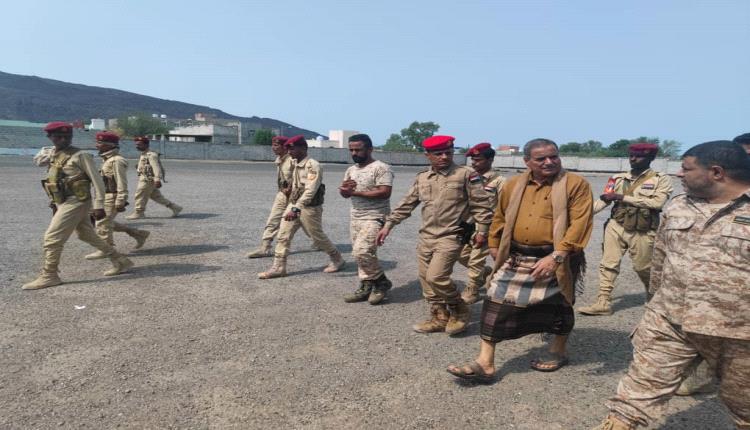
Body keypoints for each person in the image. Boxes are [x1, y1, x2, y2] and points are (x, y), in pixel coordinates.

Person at [592, 141, 750, 430]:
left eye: (686, 168)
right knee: (632, 400)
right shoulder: (679, 205)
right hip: (669, 322)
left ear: (716, 172)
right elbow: (661, 261)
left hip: (737, 334)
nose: (679, 174)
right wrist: (655, 305)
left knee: (744, 408)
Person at [447, 138, 593, 381]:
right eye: (541, 159)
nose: (549, 162)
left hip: (557, 257)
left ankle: (558, 350)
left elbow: (580, 224)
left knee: (560, 305)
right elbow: (500, 216)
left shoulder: (575, 184)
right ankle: (485, 363)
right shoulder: (514, 184)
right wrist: (494, 243)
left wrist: (556, 256)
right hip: (517, 256)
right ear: (527, 162)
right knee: (495, 299)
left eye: (554, 156)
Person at [376, 135, 493, 335]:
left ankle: (459, 309)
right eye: (438, 154)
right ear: (427, 155)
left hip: (451, 235)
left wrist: (482, 231)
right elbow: (407, 203)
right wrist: (389, 224)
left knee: (436, 277)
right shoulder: (423, 177)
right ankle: (439, 317)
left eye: (448, 152)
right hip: (427, 236)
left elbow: (482, 206)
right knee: (425, 280)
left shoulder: (466, 174)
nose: (444, 157)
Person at [21, 122, 134, 290]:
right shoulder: (54, 154)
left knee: (52, 238)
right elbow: (39, 163)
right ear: (50, 137)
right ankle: (121, 260)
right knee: (86, 235)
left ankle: (50, 275)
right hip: (63, 201)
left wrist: (99, 206)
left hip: (77, 201)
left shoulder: (81, 156)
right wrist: (52, 152)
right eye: (58, 136)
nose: (63, 139)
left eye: (67, 136)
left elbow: (98, 183)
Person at [577, 143, 673, 316]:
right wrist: (582, 214)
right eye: (631, 155)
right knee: (608, 264)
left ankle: (654, 298)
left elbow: (657, 203)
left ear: (651, 158)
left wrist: (621, 197)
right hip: (616, 225)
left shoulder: (661, 179)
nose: (633, 159)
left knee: (643, 267)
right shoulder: (617, 178)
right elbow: (604, 201)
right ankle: (603, 302)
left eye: (639, 156)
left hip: (642, 229)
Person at [258, 135, 344, 278]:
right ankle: (279, 267)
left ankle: (337, 259)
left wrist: (296, 208)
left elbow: (310, 190)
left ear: (303, 148)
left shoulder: (312, 165)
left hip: (309, 208)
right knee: (283, 235)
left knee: (317, 238)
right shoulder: (294, 162)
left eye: (292, 148)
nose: (289, 151)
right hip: (294, 204)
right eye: (288, 149)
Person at [339, 134, 394, 305]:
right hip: (356, 216)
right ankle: (367, 285)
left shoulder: (381, 168)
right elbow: (345, 193)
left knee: (362, 251)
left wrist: (354, 192)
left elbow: (385, 191)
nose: (354, 153)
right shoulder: (351, 170)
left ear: (370, 149)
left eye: (358, 149)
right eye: (351, 150)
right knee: (360, 254)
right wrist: (344, 191)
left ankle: (381, 282)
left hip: (376, 216)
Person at [84, 131, 149, 260]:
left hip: (112, 197)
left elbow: (121, 182)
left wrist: (121, 200)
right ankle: (138, 234)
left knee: (102, 223)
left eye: (100, 143)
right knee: (103, 221)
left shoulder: (117, 161)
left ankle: (105, 248)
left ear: (110, 145)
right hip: (103, 196)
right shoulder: (107, 159)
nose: (97, 145)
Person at [457, 142, 506, 304]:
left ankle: (472, 289)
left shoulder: (499, 181)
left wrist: (493, 231)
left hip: (486, 227)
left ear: (490, 159)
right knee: (460, 255)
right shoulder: (470, 178)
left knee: (475, 259)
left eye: (478, 159)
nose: (474, 163)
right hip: (467, 225)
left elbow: (503, 208)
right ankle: (485, 272)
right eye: (473, 159)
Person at [125, 136, 182, 219]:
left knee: (140, 195)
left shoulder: (151, 155)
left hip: (147, 180)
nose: (137, 146)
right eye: (136, 144)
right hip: (145, 178)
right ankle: (175, 208)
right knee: (157, 197)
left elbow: (156, 167)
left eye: (139, 144)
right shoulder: (144, 154)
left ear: (146, 145)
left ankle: (139, 212)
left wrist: (157, 179)